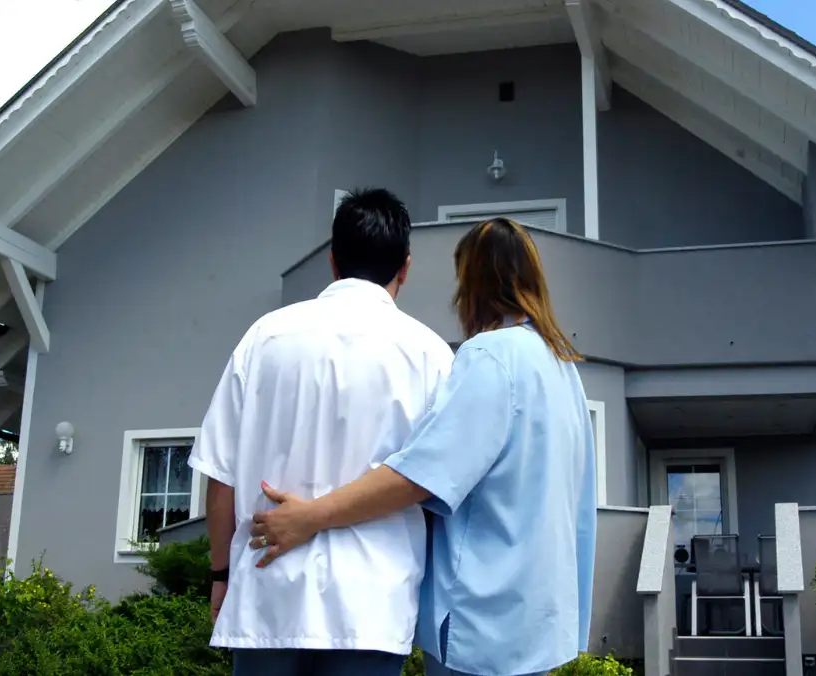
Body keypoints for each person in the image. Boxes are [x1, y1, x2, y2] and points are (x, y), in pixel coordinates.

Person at [249, 217, 598, 676]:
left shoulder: (491, 356)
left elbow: (419, 476)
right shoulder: (560, 366)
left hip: (481, 620)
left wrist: (309, 518)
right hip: (538, 619)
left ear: (470, 282)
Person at [188, 188, 454, 676]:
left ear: (332, 261)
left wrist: (221, 576)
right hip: (371, 608)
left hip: (267, 596)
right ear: (406, 267)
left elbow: (220, 477)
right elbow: (436, 483)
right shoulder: (431, 356)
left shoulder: (263, 337)